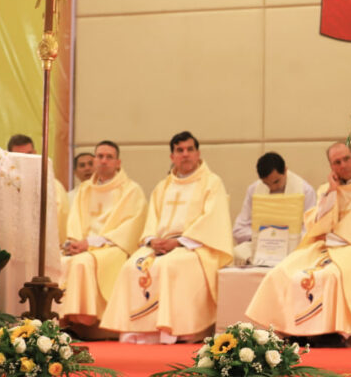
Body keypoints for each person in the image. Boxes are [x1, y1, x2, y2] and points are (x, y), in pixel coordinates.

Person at [100, 131, 233, 343]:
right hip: (160, 244)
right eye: (180, 150)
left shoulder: (211, 182)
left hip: (194, 246)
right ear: (172, 157)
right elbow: (152, 219)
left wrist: (178, 242)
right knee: (131, 266)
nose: (185, 154)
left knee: (168, 266)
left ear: (198, 153)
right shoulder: (163, 186)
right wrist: (152, 240)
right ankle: (137, 330)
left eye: (190, 149)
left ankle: (171, 330)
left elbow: (212, 221)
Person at [246, 142, 351, 344]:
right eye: (336, 162)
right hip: (325, 246)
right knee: (283, 272)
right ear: (331, 166)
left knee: (330, 276)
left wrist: (343, 235)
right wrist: (332, 192)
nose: (343, 165)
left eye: (346, 159)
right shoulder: (327, 189)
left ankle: (330, 335)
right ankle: (288, 331)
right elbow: (317, 224)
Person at [56, 141, 146, 330]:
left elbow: (130, 228)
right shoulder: (85, 189)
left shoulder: (131, 190)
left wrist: (89, 243)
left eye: (109, 157)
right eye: (100, 156)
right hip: (83, 247)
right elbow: (74, 220)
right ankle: (61, 321)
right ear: (95, 160)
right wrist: (74, 242)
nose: (104, 161)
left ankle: (85, 321)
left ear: (118, 163)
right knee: (61, 262)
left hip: (112, 247)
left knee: (83, 262)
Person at [232, 152, 317, 265]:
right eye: (266, 184)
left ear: (285, 170)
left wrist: (283, 239)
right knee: (237, 252)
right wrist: (263, 237)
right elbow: (239, 229)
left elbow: (310, 231)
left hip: (293, 247)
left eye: (276, 181)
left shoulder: (305, 191)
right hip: (262, 246)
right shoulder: (254, 189)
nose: (272, 188)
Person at [8, 133, 69, 244]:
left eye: (29, 154)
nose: (26, 160)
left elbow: (60, 219)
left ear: (35, 153)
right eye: (20, 156)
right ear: (10, 157)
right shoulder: (5, 185)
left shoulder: (52, 185)